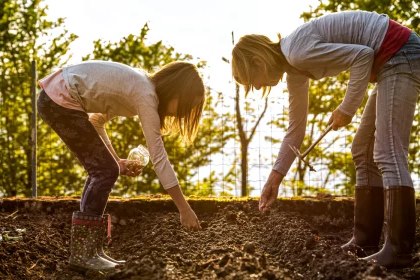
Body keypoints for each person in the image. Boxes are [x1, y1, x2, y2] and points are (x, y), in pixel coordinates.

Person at [231, 10, 419, 269]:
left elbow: (362, 55)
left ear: (257, 62)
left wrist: (346, 109)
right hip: (389, 61)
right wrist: (274, 179)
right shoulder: (295, 70)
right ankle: (365, 241)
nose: (261, 87)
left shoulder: (297, 51)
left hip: (401, 53)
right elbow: (295, 130)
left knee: (387, 151)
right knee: (362, 150)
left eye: (254, 82)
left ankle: (398, 250)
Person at [37, 60, 205, 272]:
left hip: (58, 98)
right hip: (59, 101)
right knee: (104, 171)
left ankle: (91, 252)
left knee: (106, 169)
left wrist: (116, 161)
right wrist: (184, 208)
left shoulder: (138, 87)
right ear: (176, 92)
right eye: (186, 106)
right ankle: (84, 255)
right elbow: (158, 156)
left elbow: (96, 121)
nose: (182, 114)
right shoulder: (145, 94)